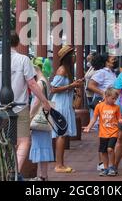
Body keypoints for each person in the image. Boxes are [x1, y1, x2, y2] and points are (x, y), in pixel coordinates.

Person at [0, 31, 52, 180]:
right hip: (19, 106)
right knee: (24, 141)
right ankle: (15, 171)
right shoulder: (24, 60)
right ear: (17, 43)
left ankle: (6, 169)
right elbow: (32, 83)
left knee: (2, 140)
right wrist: (44, 101)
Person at [50, 45, 84, 173]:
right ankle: (59, 165)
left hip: (64, 104)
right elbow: (53, 89)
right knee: (61, 135)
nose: (75, 56)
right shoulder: (62, 70)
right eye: (73, 54)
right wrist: (72, 85)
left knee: (62, 135)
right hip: (60, 104)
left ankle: (61, 164)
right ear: (68, 57)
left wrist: (74, 85)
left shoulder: (67, 70)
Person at [86, 53, 118, 171]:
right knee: (103, 136)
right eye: (111, 58)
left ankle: (107, 163)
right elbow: (90, 85)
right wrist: (103, 93)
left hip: (111, 108)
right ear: (105, 61)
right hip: (103, 108)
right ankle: (101, 163)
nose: (114, 60)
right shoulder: (102, 73)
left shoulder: (112, 73)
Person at [83, 87, 122, 177]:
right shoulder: (99, 106)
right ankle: (105, 168)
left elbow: (119, 118)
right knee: (103, 151)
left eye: (115, 99)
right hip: (103, 133)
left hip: (113, 132)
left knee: (110, 149)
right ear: (106, 96)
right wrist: (89, 127)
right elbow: (94, 118)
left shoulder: (116, 107)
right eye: (112, 98)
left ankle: (112, 167)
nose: (114, 100)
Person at [29, 57, 55, 181]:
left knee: (39, 145)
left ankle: (43, 176)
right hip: (45, 117)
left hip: (38, 117)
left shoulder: (39, 82)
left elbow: (36, 102)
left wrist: (30, 116)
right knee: (44, 146)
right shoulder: (46, 81)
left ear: (36, 68)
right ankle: (43, 175)